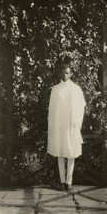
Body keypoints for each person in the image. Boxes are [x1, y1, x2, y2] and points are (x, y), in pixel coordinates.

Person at [47, 63, 86, 191]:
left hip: (71, 125)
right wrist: (53, 126)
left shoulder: (76, 89)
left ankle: (69, 182)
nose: (65, 75)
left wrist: (77, 123)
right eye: (63, 72)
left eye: (67, 72)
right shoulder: (55, 89)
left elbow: (81, 107)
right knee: (60, 153)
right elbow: (52, 110)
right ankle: (62, 182)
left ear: (71, 74)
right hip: (59, 125)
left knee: (71, 153)